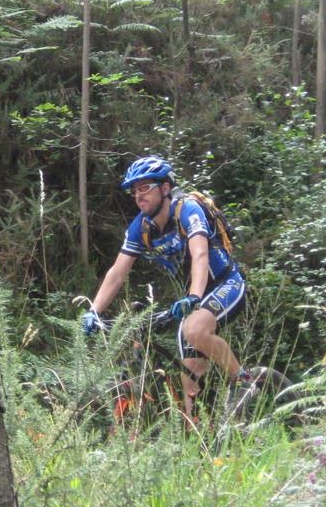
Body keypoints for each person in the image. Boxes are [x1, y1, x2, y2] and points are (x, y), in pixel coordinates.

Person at [81, 155, 253, 420]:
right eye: (134, 190)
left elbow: (200, 255)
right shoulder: (141, 227)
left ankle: (242, 380)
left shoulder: (188, 210)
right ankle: (203, 436)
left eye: (145, 187)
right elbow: (117, 273)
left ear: (164, 188)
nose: (139, 195)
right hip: (193, 298)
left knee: (193, 329)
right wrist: (94, 311)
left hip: (225, 284)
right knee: (190, 387)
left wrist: (194, 296)